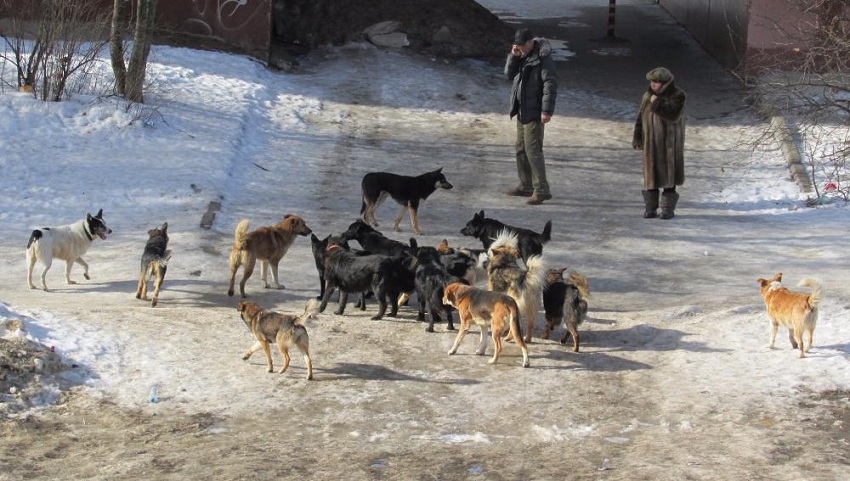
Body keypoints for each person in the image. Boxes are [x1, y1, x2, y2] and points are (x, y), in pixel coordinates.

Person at [505, 28, 557, 205]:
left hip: (534, 111)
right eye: (517, 46)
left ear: (530, 42)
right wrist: (513, 57)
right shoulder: (521, 56)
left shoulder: (543, 58)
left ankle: (541, 189)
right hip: (521, 110)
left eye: (521, 46)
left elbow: (550, 84)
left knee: (533, 150)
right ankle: (526, 184)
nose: (520, 48)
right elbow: (508, 75)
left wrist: (546, 110)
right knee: (520, 148)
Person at [632, 67, 687, 219]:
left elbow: (672, 115)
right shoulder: (647, 96)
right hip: (651, 144)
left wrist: (657, 103)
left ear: (665, 83)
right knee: (651, 177)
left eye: (657, 82)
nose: (653, 84)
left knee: (669, 177)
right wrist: (638, 137)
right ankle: (650, 208)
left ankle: (668, 209)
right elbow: (640, 118)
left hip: (669, 144)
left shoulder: (678, 95)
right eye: (652, 81)